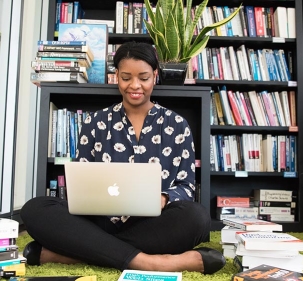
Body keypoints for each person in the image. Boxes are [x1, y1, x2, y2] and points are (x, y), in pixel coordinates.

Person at [20, 41, 226, 274]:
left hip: (152, 224)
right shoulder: (95, 122)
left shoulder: (177, 125)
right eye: (126, 77)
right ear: (116, 75)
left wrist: (163, 198)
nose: (135, 85)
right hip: (97, 221)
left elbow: (187, 187)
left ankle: (76, 253)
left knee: (197, 217)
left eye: (144, 77)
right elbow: (81, 181)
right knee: (34, 209)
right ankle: (153, 262)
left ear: (155, 76)